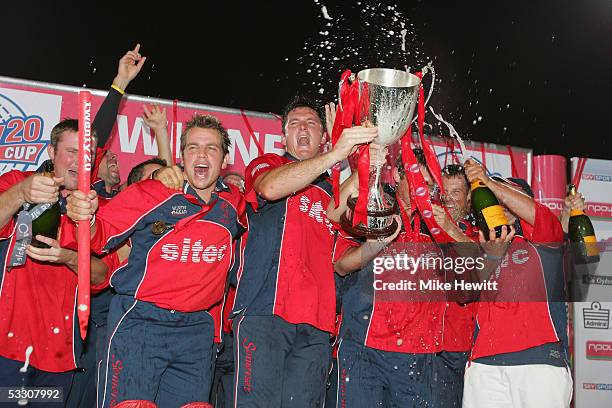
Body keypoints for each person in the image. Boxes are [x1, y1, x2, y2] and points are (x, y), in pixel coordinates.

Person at [65, 114, 246, 407]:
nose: (201, 155)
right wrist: (82, 213)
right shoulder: (153, 192)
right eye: (193, 148)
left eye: (211, 148)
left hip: (197, 330)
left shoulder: (233, 204)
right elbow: (99, 236)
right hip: (141, 323)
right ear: (182, 157)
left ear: (225, 160)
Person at [231, 95, 377, 407]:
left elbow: (337, 214)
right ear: (283, 136)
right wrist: (335, 154)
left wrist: (368, 159)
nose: (302, 129)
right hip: (264, 313)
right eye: (294, 124)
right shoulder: (268, 165)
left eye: (311, 123)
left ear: (323, 136)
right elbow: (269, 189)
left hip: (318, 323)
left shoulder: (329, 186)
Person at [0, 118, 118, 406]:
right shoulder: (17, 181)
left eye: (87, 154)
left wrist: (69, 257)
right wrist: (20, 194)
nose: (80, 160)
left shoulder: (96, 207)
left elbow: (103, 275)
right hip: (6, 345)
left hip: (59, 356)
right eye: (71, 151)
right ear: (52, 152)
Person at [462, 160, 573, 408]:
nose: (503, 200)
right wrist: (490, 256)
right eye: (499, 195)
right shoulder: (480, 242)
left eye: (512, 194)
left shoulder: (545, 240)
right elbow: (462, 292)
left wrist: (490, 183)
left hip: (539, 363)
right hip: (484, 365)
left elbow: (539, 215)